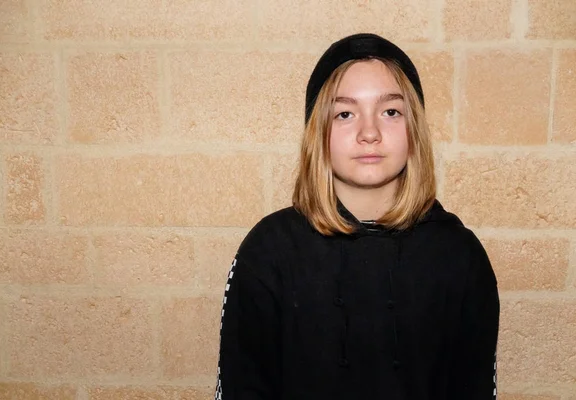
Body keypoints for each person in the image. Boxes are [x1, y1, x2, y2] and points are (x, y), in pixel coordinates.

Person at [213, 33, 500, 400]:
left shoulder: (460, 256)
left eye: (390, 112)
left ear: (414, 129)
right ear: (319, 132)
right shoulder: (268, 252)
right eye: (345, 113)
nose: (369, 133)